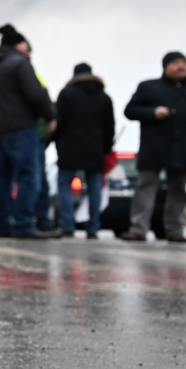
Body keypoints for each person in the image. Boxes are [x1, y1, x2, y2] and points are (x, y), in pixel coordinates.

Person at [0, 24, 57, 239]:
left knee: (2, 178)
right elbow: (36, 94)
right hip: (20, 129)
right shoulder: (20, 63)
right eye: (27, 48)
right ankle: (23, 224)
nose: (29, 53)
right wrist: (50, 116)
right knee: (29, 177)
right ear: (19, 45)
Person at [120, 51, 186, 243]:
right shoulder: (149, 87)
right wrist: (152, 112)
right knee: (145, 187)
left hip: (185, 149)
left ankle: (175, 230)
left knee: (178, 190)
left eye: (184, 63)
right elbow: (130, 110)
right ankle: (138, 229)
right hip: (154, 148)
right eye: (176, 63)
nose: (181, 67)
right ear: (166, 66)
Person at [49, 63, 114, 240]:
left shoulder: (67, 94)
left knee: (64, 185)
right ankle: (93, 227)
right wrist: (106, 148)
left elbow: (58, 121)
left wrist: (56, 142)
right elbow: (110, 127)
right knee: (94, 188)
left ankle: (67, 225)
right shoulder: (104, 98)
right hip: (95, 149)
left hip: (69, 147)